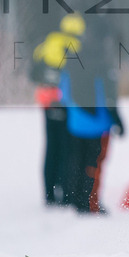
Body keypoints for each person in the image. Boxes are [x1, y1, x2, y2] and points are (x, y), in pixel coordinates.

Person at [57, 0, 125, 215]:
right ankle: (89, 201)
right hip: (96, 98)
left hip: (75, 94)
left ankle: (73, 197)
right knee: (95, 155)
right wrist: (116, 112)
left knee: (74, 153)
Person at [30, 12, 86, 206]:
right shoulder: (76, 47)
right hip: (65, 103)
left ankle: (48, 193)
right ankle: (65, 193)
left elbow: (33, 73)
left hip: (46, 103)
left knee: (50, 147)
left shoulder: (47, 43)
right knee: (66, 148)